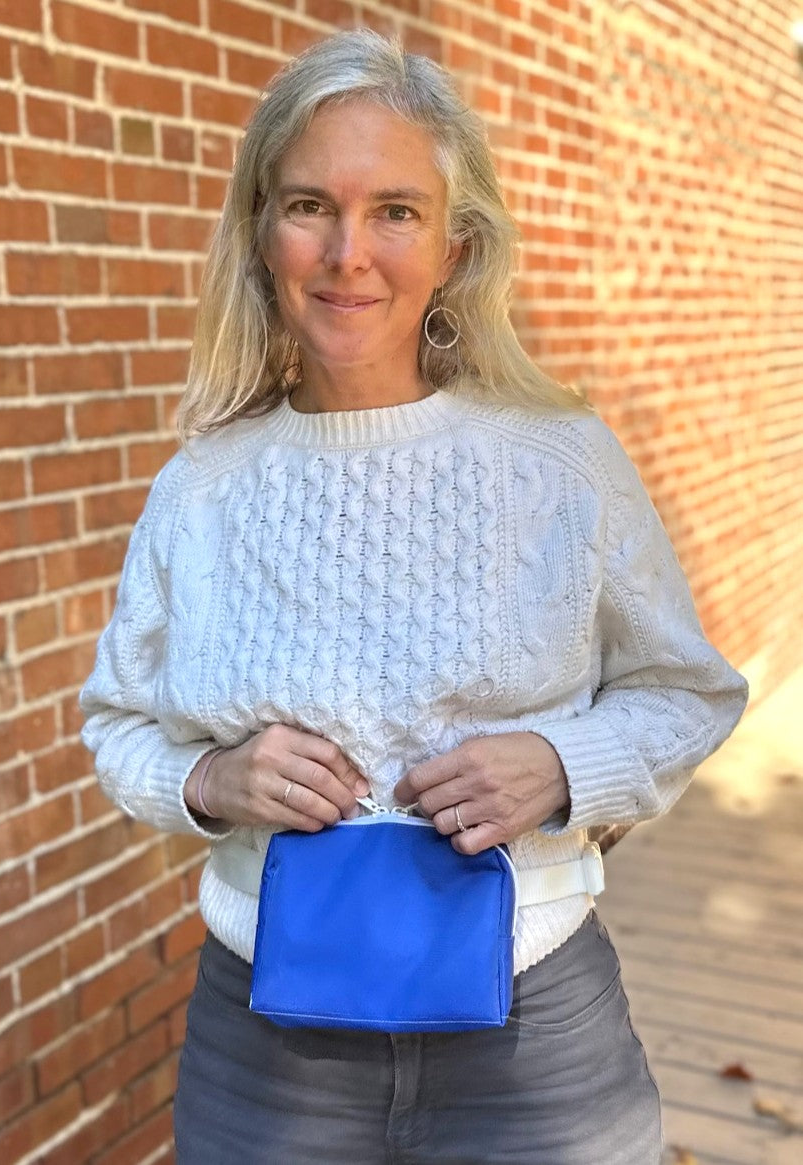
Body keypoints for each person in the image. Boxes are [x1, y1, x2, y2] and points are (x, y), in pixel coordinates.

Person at [80, 29, 748, 1164]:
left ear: (455, 244)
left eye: (395, 210)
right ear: (260, 230)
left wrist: (561, 766)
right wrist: (212, 776)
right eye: (308, 206)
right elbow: (116, 722)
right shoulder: (203, 487)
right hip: (267, 1044)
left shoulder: (559, 461)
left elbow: (687, 694)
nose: (348, 254)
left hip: (534, 1037)